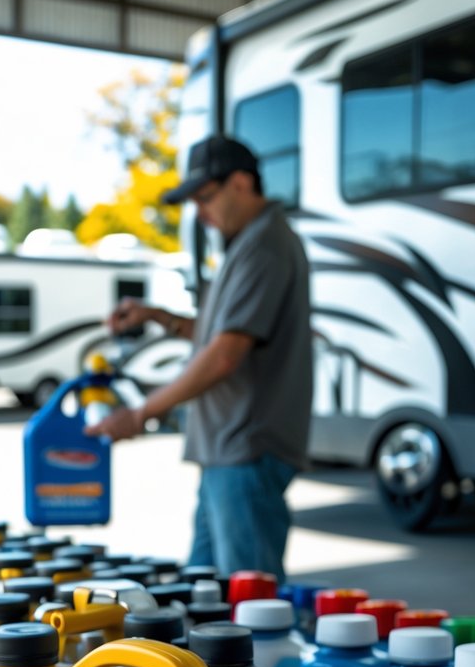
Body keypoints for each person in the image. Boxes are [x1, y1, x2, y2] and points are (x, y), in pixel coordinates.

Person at [86, 134, 312, 582]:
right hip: (226, 454)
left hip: (245, 452)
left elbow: (225, 355)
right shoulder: (246, 244)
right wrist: (157, 316)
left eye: (206, 199)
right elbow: (218, 336)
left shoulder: (264, 246)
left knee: (248, 617)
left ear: (242, 184)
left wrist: (142, 413)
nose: (201, 214)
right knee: (206, 601)